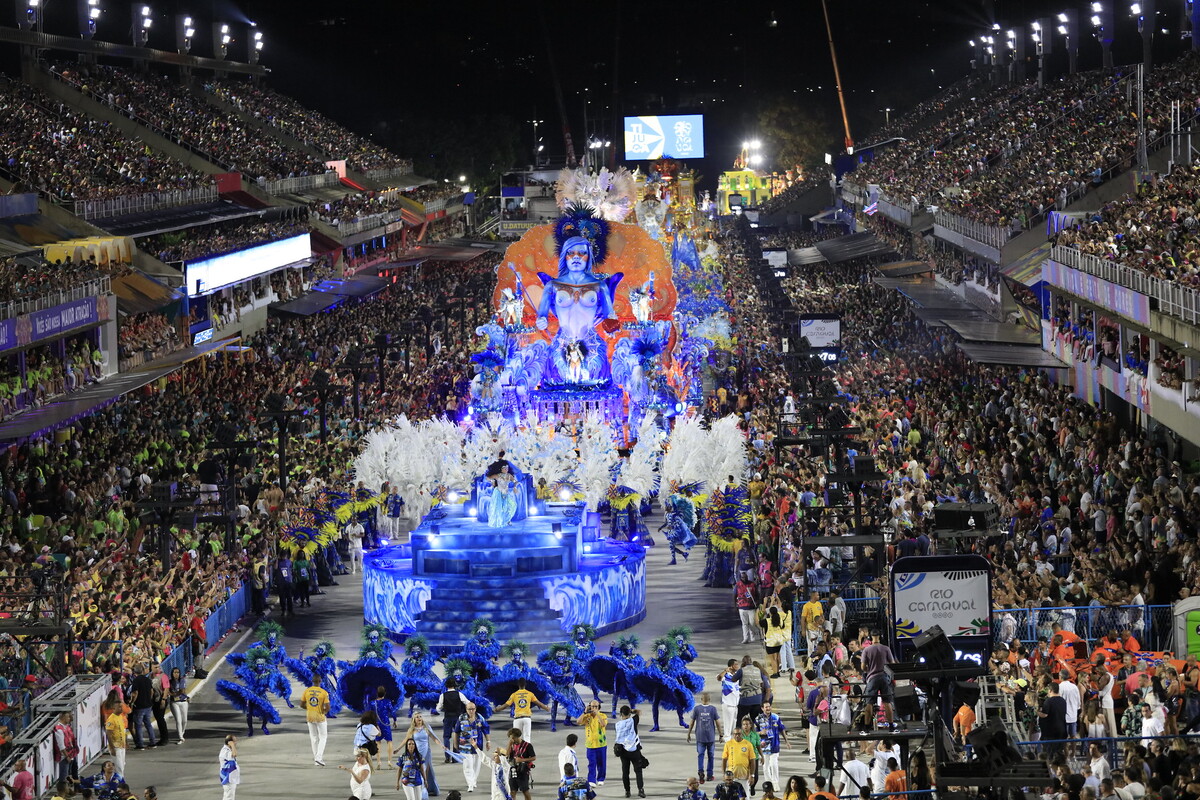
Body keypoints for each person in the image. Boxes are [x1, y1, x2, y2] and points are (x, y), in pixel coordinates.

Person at [452, 700, 491, 792]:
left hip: (478, 745)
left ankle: (473, 781)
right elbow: (456, 731)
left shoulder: (480, 718)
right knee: (467, 765)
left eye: (473, 709)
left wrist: (488, 741)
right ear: (466, 709)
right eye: (469, 709)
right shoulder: (461, 718)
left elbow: (486, 729)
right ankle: (470, 784)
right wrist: (455, 744)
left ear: (475, 709)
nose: (471, 711)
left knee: (476, 765)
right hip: (465, 746)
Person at [496, 679, 550, 744]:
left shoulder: (514, 694)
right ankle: (527, 753)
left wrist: (497, 709)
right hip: (527, 718)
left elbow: (505, 705)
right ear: (525, 685)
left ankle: (517, 753)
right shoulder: (530, 694)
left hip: (517, 719)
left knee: (516, 738)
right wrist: (546, 708)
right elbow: (539, 703)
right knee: (527, 738)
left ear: (518, 685)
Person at [404, 710, 443, 798]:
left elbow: (434, 738)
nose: (419, 718)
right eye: (417, 717)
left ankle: (426, 790)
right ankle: (421, 792)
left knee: (425, 772)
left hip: (427, 753)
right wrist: (398, 749)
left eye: (420, 716)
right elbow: (406, 741)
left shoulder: (426, 727)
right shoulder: (412, 730)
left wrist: (442, 746)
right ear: (414, 719)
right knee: (419, 772)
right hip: (417, 754)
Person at [861, 638, 896, 729]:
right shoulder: (886, 648)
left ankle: (867, 727)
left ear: (871, 638)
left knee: (869, 703)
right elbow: (892, 664)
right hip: (884, 677)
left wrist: (869, 671)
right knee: (887, 702)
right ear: (879, 637)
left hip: (872, 678)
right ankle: (891, 726)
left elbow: (863, 666)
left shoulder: (867, 650)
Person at [688, 691, 722, 783]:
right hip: (710, 737)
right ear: (710, 700)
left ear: (701, 699)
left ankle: (700, 771)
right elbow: (718, 723)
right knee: (711, 756)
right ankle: (710, 775)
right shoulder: (713, 709)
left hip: (700, 737)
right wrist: (720, 734)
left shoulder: (697, 709)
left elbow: (692, 722)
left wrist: (689, 733)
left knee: (700, 755)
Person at [755, 701, 789, 790]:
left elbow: (782, 729)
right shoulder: (758, 719)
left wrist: (787, 741)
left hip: (774, 745)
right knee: (765, 766)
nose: (768, 708)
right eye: (766, 707)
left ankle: (775, 783)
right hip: (764, 746)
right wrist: (760, 732)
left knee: (774, 765)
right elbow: (753, 733)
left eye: (769, 706)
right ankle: (768, 784)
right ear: (762, 708)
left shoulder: (776, 717)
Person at [614, 706, 646, 799]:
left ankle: (627, 791)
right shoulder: (633, 721)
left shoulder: (617, 725)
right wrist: (632, 711)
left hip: (623, 751)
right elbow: (639, 712)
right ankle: (641, 790)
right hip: (634, 750)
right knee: (638, 771)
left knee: (625, 772)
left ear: (620, 714)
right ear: (629, 714)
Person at [301, 673, 331, 766]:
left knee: (313, 738)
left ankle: (316, 760)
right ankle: (319, 757)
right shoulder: (323, 692)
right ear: (320, 681)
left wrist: (309, 708)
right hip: (320, 717)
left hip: (310, 717)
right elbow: (328, 707)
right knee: (323, 737)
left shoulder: (306, 691)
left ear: (312, 681)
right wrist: (324, 711)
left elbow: (302, 704)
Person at [722, 725, 757, 798]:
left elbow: (752, 760)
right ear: (733, 734)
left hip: (744, 776)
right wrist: (723, 774)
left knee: (745, 796)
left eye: (739, 734)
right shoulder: (728, 744)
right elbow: (724, 759)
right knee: (732, 796)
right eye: (735, 734)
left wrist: (752, 775)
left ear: (742, 734)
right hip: (732, 777)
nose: (737, 736)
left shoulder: (748, 744)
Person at [503, 726, 537, 800]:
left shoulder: (528, 745)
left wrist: (522, 760)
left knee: (525, 791)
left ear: (518, 736)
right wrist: (509, 744)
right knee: (512, 792)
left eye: (513, 738)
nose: (512, 740)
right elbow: (507, 755)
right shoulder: (511, 745)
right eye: (510, 738)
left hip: (523, 771)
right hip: (513, 771)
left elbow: (534, 757)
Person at [128, 663, 157, 749]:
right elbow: (152, 691)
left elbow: (135, 693)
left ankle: (140, 744)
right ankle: (153, 742)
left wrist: (132, 702)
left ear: (134, 672)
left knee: (138, 725)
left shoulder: (136, 681)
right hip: (148, 705)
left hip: (139, 706)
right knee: (148, 723)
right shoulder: (147, 680)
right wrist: (149, 699)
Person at [438, 677, 468, 760]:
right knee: (457, 735)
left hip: (447, 717)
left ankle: (447, 756)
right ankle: (456, 757)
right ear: (455, 685)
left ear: (446, 685)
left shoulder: (442, 695)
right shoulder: (459, 694)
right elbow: (467, 703)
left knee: (446, 737)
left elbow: (438, 708)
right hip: (458, 717)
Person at [53, 711, 79, 783]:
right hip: (65, 756)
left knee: (73, 772)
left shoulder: (67, 726)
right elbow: (61, 745)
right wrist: (67, 756)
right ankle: (63, 791)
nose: (69, 718)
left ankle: (73, 788)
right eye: (68, 717)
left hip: (72, 753)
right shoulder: (59, 729)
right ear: (64, 718)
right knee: (64, 775)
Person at [718, 661, 741, 741]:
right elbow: (719, 678)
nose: (738, 666)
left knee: (735, 722)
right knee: (728, 723)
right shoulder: (726, 676)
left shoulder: (738, 675)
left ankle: (734, 739)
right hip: (728, 703)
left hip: (736, 703)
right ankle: (727, 739)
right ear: (731, 666)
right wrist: (725, 671)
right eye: (736, 664)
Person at [105, 700, 129, 775]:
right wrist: (112, 748)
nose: (121, 708)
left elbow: (122, 731)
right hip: (116, 747)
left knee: (122, 765)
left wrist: (126, 742)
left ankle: (118, 782)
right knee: (119, 768)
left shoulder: (120, 717)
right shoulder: (111, 719)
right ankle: (121, 784)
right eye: (119, 707)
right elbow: (108, 734)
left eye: (121, 707)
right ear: (114, 708)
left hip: (122, 746)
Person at [735, 573, 759, 644]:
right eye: (742, 577)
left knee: (752, 622)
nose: (744, 579)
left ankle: (752, 635)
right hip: (742, 607)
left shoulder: (752, 584)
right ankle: (745, 638)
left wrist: (757, 602)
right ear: (740, 578)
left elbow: (757, 594)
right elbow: (734, 595)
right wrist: (735, 606)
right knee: (744, 623)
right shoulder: (738, 585)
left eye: (745, 577)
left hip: (751, 607)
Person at [168, 666, 190, 744]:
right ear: (172, 673)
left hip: (183, 701)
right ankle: (180, 737)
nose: (176, 674)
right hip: (174, 702)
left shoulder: (182, 680)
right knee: (178, 720)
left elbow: (182, 690)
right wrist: (172, 694)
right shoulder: (169, 682)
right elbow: (167, 691)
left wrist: (173, 694)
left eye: (177, 672)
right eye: (174, 672)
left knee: (185, 720)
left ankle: (182, 732)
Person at [219, 735, 240, 800]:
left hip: (230, 777)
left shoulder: (227, 750)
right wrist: (233, 745)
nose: (236, 742)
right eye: (234, 741)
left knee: (227, 796)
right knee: (229, 797)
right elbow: (234, 754)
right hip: (228, 777)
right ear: (230, 742)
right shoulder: (226, 751)